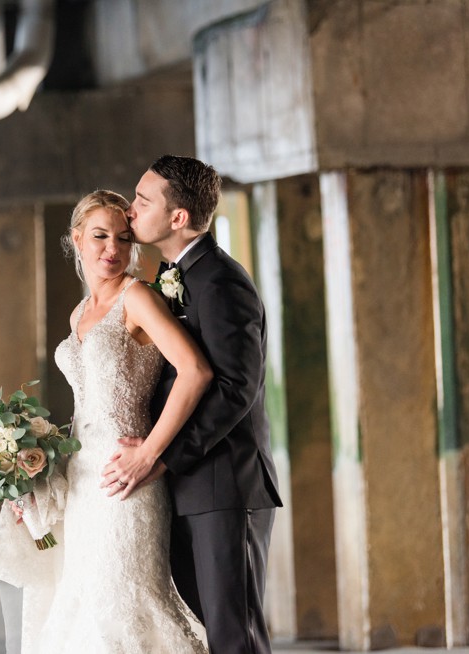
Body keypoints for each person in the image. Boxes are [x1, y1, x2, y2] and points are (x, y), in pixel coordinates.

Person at [15, 189, 212, 653]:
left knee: (125, 606)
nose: (113, 249)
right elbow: (87, 408)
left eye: (124, 239)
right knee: (82, 605)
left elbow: (196, 371)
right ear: (77, 239)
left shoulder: (138, 297)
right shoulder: (78, 313)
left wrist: (149, 453)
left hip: (129, 482)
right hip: (83, 481)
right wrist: (37, 471)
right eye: (100, 236)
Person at [102, 155, 283, 654]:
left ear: (178, 218)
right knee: (200, 632)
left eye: (143, 200)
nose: (131, 210)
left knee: (233, 634)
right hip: (186, 485)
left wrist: (161, 456)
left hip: (225, 483)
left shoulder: (222, 282)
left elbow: (234, 389)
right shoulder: (172, 277)